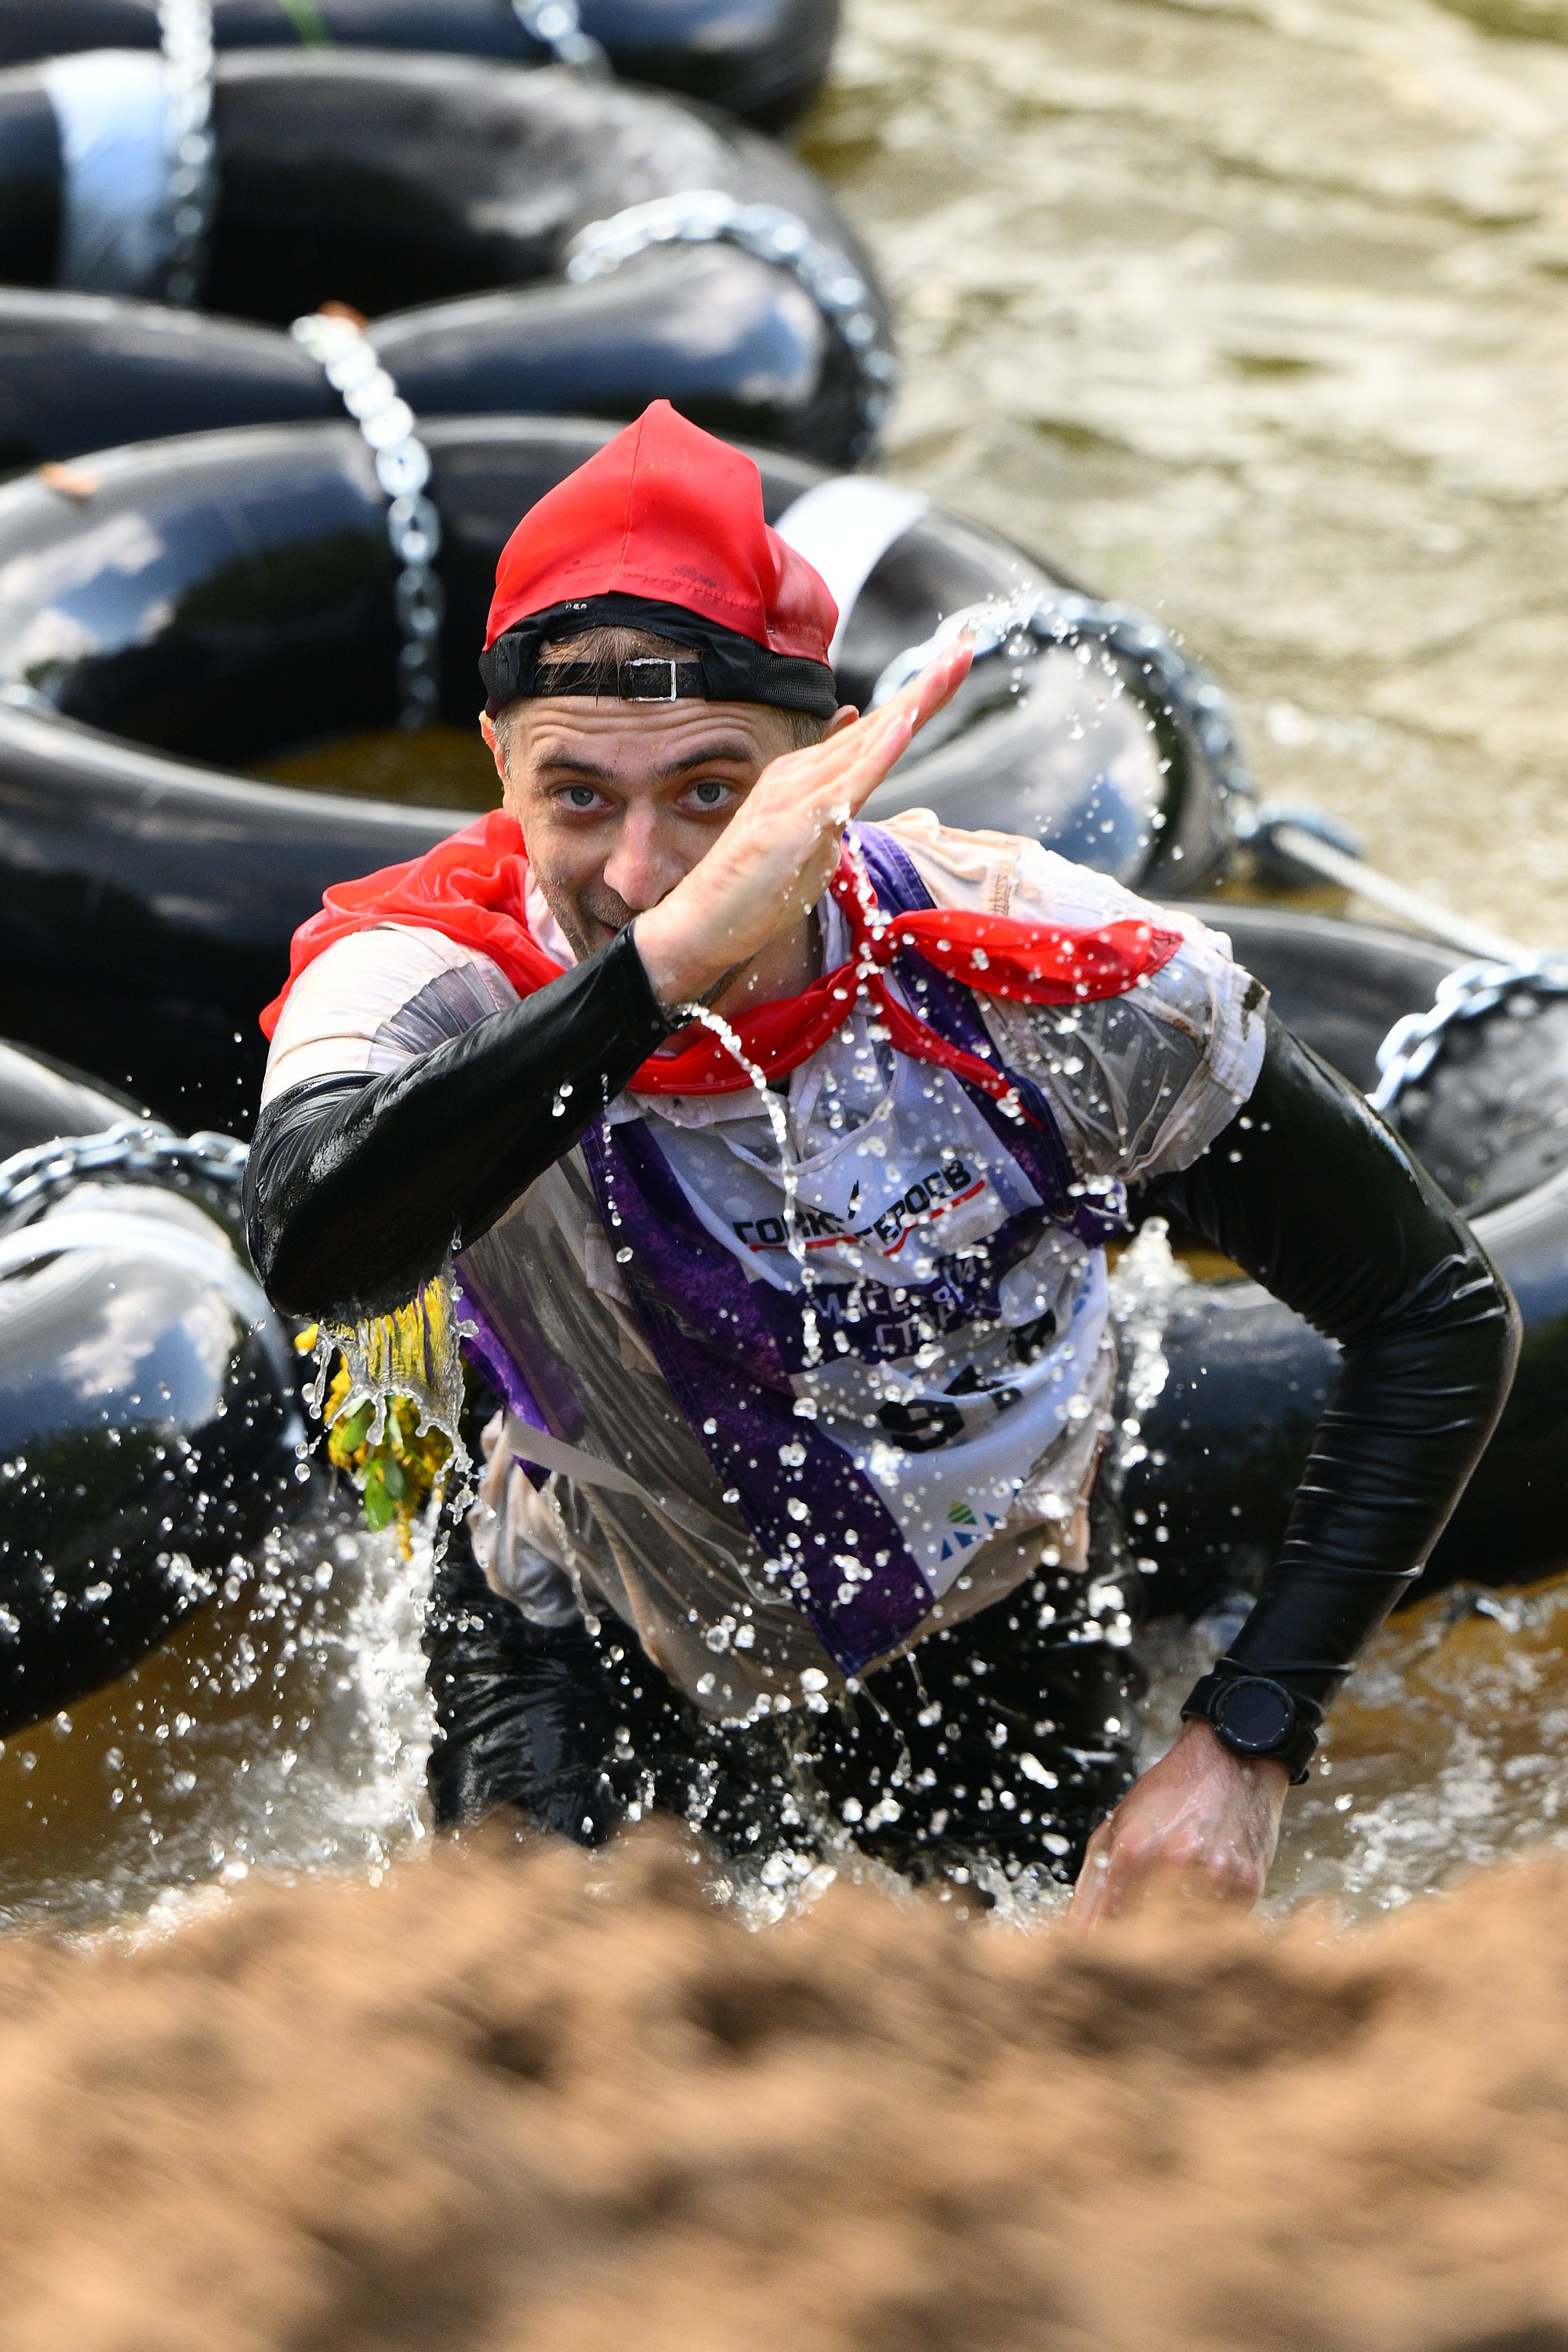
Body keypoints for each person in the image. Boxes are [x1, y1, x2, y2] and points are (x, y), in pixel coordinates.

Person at [245, 401, 1518, 1923]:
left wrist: (1250, 1738)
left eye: (711, 794)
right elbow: (314, 1249)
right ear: (497, 769)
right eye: (577, 796)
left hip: (982, 1602)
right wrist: (659, 972)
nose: (644, 872)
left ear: (827, 766)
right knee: (531, 2020)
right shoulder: (424, 971)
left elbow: (1436, 1312)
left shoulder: (1045, 976)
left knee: (1048, 2015)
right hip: (589, 1604)